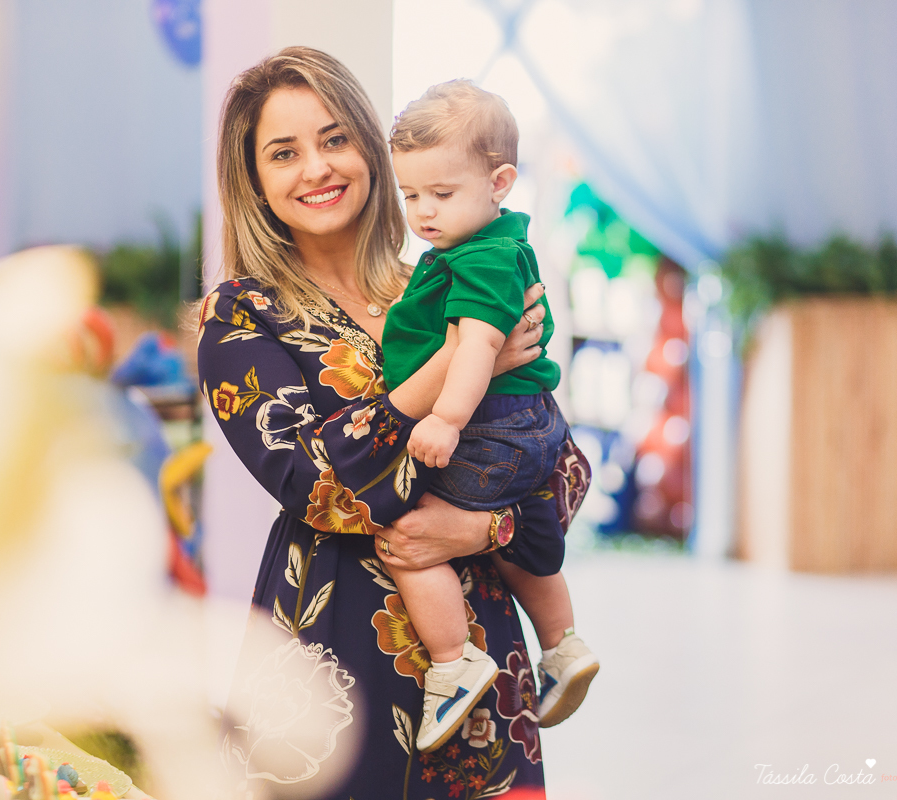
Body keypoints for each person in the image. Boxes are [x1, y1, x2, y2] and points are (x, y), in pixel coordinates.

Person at [198, 47, 589, 800]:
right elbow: (319, 490)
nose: (317, 167)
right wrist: (461, 361)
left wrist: (483, 531)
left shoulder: (440, 281)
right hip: (333, 671)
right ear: (254, 180)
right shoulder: (242, 314)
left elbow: (559, 466)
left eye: (335, 138)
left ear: (371, 152)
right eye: (284, 152)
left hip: (482, 673)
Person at [380, 80, 599, 754]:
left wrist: (445, 419)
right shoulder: (492, 246)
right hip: (529, 424)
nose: (423, 213)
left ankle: (453, 663)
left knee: (409, 540)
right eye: (411, 195)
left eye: (441, 195)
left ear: (499, 180)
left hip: (486, 424)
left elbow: (477, 345)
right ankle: (562, 644)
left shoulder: (480, 257)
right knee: (521, 540)